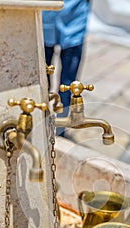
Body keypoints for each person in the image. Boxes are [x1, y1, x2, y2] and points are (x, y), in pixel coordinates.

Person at [42, 0, 90, 136]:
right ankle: (40, 122)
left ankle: (60, 129)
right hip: (45, 19)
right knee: (40, 79)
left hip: (75, 20)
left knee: (69, 85)